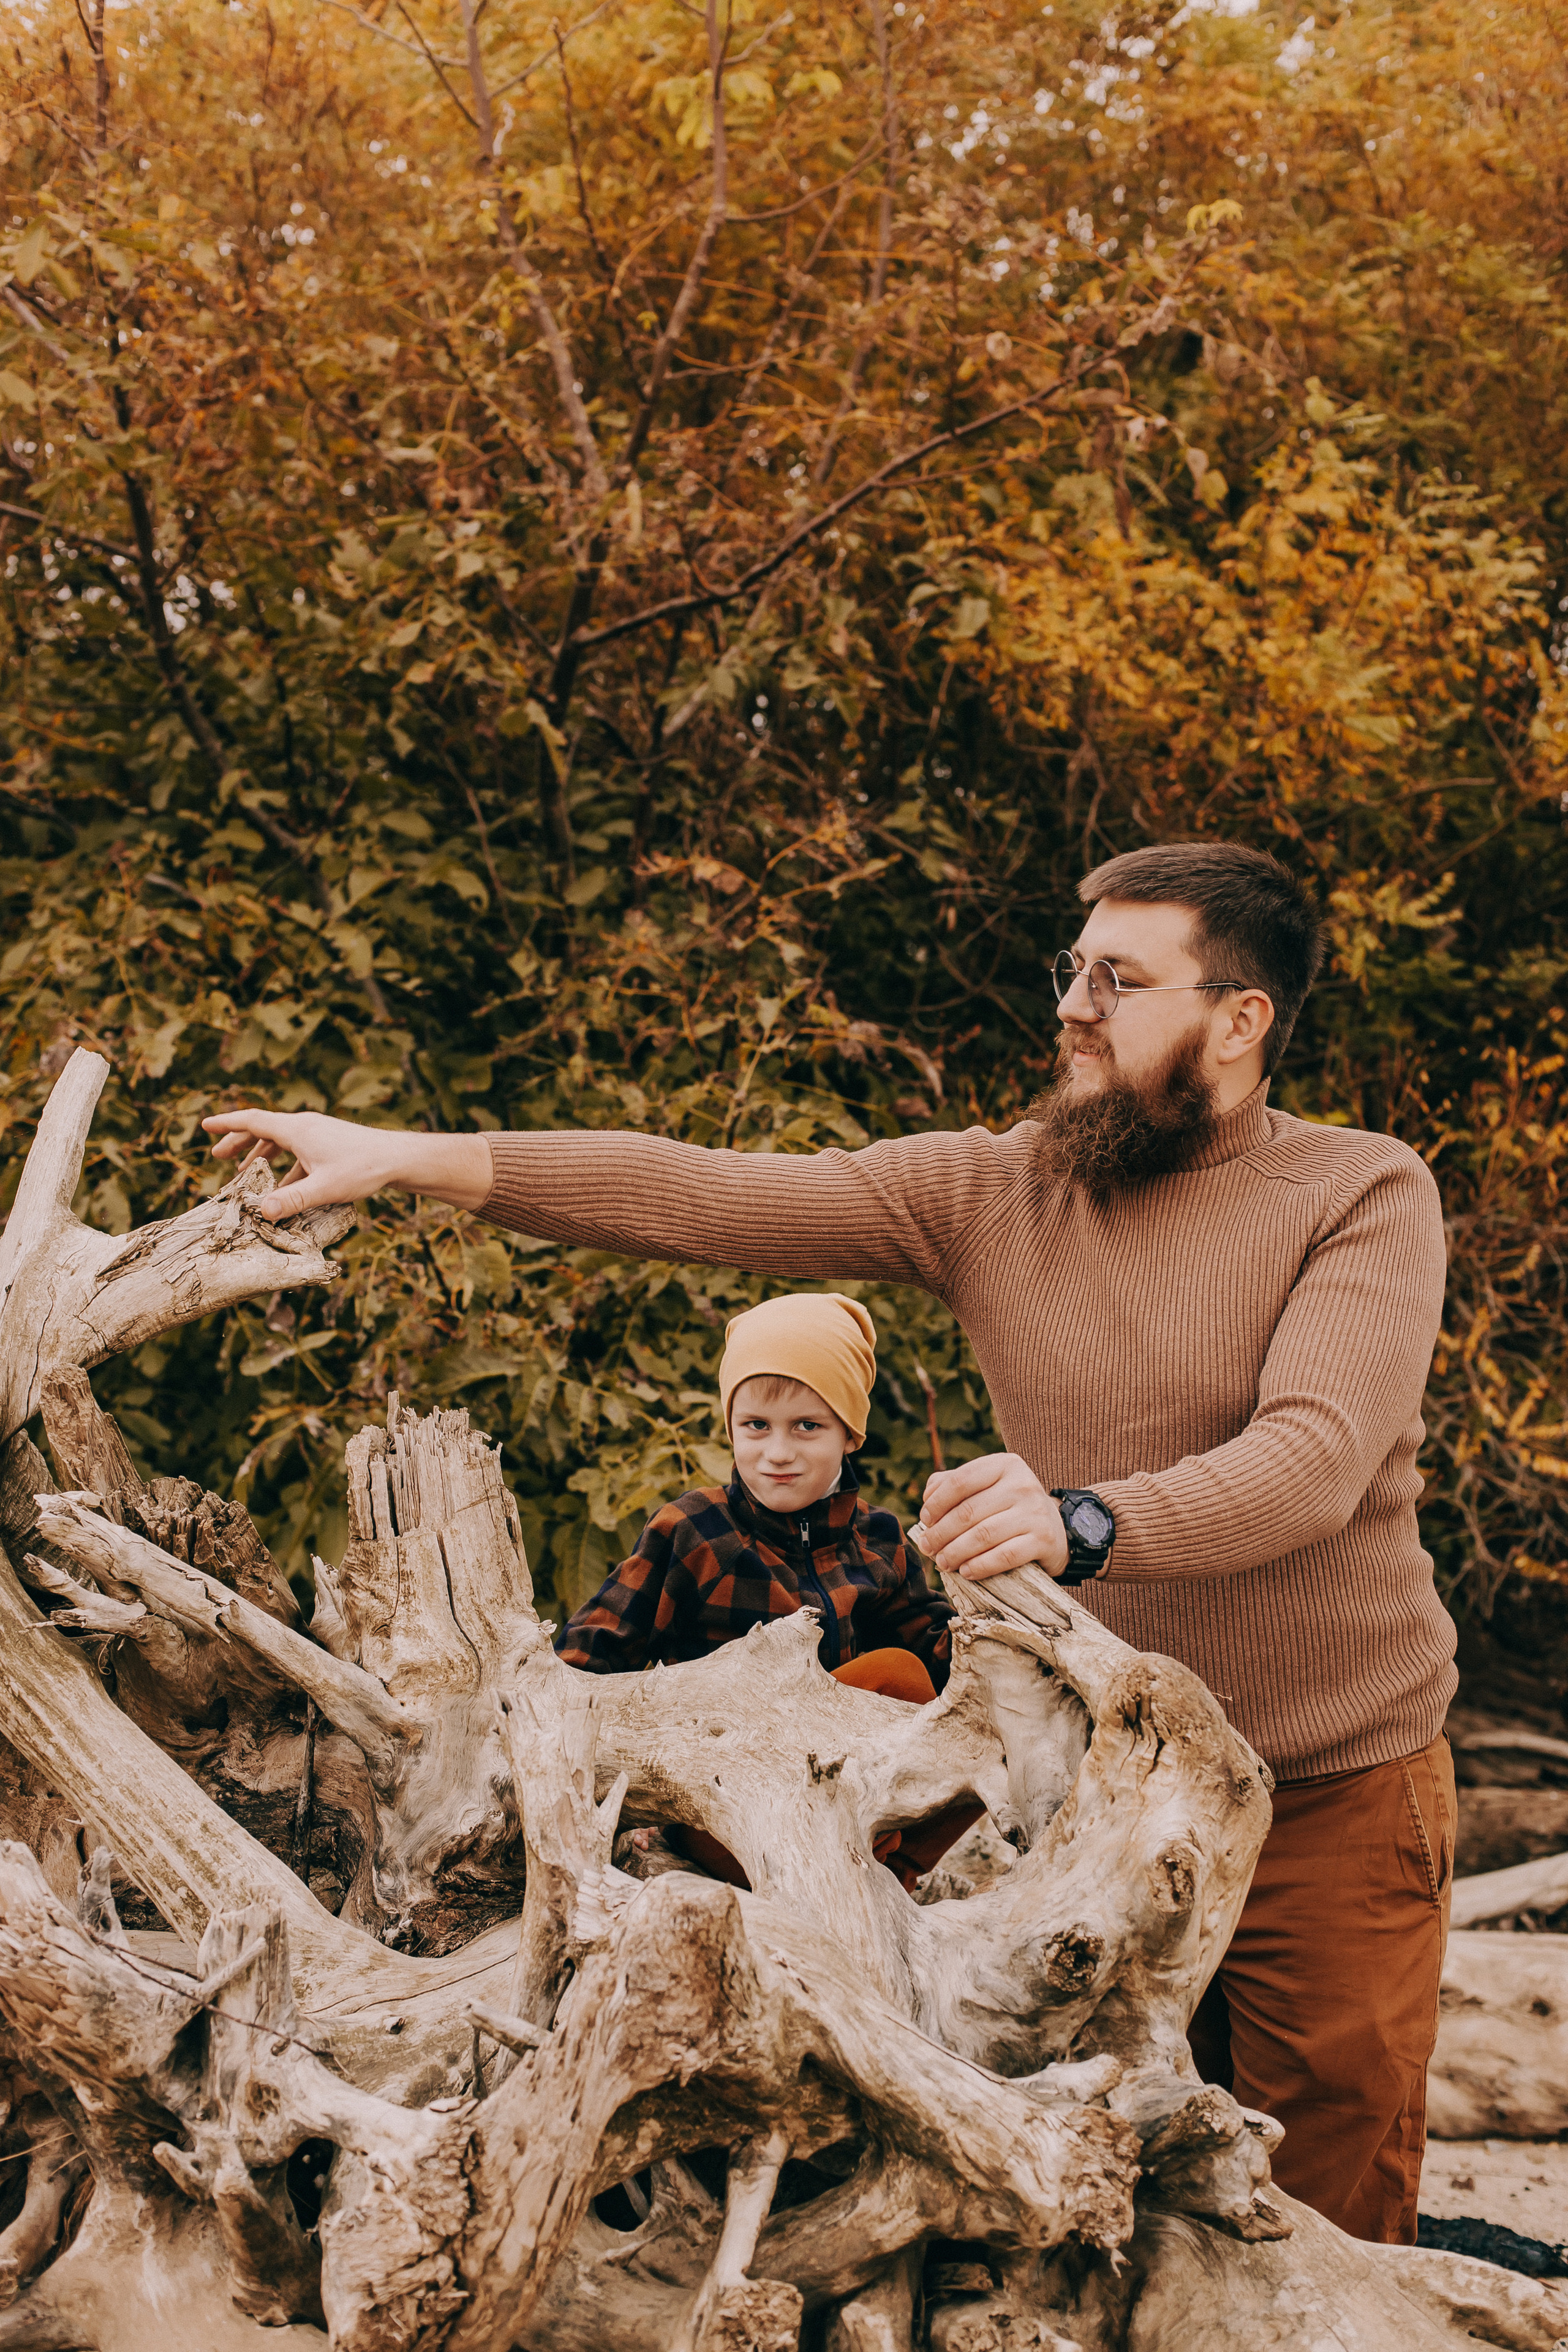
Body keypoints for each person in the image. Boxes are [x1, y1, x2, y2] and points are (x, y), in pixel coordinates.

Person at [204, 839, 1457, 2245]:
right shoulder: (990, 1191)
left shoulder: (1360, 1191)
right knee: (1086, 2204)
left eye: (1118, 976)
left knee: (1322, 2220)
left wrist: (1084, 1519)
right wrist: (403, 1158)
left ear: (1238, 1020)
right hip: (1082, 1804)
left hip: (1326, 1799)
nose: (1072, 1003)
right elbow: (696, 1193)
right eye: (1070, 969)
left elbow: (1310, 1461)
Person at [554, 1287, 973, 1890]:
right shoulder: (695, 1532)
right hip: (728, 1798)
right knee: (894, 1676)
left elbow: (942, 1656)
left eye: (807, 1426)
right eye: (756, 1425)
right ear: (730, 1425)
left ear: (850, 1435)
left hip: (851, 1794)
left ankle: (892, 1877)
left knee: (986, 1709)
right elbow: (590, 1653)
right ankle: (841, 1868)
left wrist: (999, 1640)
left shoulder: (879, 1540)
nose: (778, 1452)